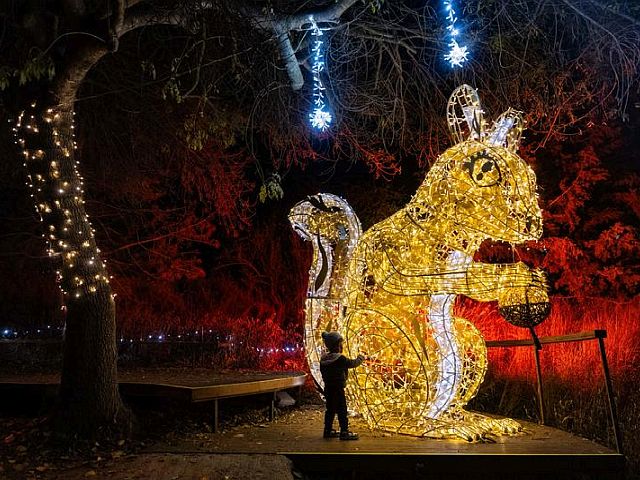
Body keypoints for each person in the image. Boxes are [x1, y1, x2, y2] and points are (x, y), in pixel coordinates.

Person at [320, 331, 364, 440]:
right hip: (338, 389)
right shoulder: (340, 359)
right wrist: (360, 358)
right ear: (338, 345)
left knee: (330, 410)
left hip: (328, 388)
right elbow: (352, 363)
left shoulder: (324, 360)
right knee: (342, 410)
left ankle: (328, 430)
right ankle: (344, 432)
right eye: (341, 344)